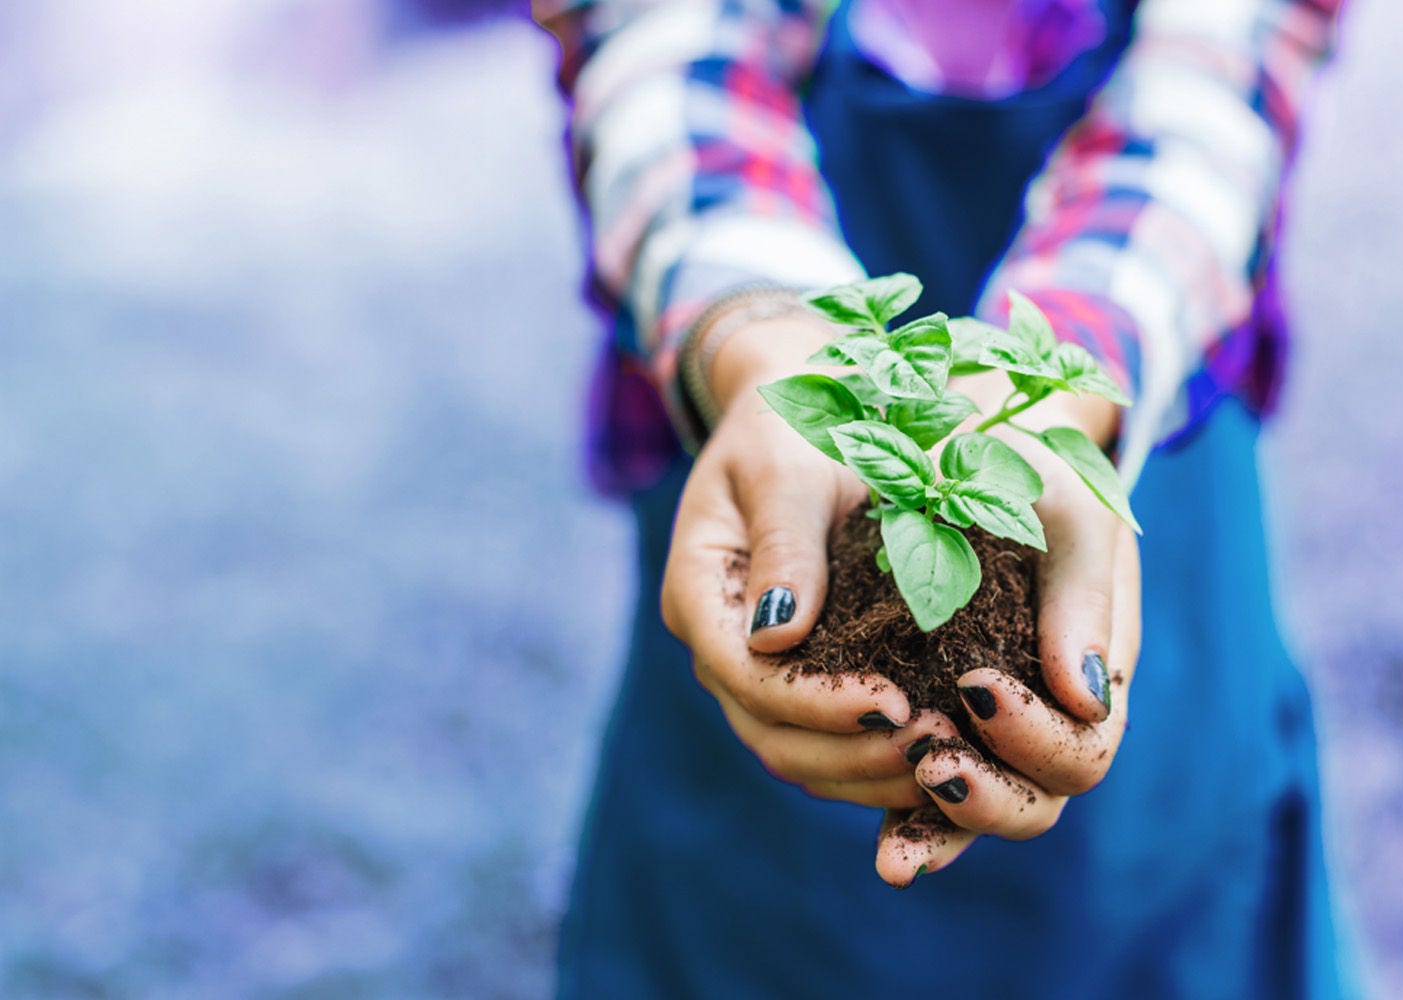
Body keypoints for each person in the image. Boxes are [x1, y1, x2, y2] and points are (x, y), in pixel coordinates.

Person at [537, 0, 1352, 995]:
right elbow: (663, 42)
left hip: (1127, 429)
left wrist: (1062, 365)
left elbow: (1223, 67)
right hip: (778, 468)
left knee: (1162, 865)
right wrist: (757, 333)